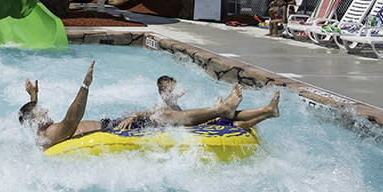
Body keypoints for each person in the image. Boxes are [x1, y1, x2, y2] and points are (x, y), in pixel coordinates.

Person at [17, 62, 242, 150]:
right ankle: (220, 111)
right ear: (35, 121)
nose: (45, 111)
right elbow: (72, 119)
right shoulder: (49, 134)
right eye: (40, 111)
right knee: (161, 117)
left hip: (111, 125)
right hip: (113, 131)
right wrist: (85, 85)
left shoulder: (38, 128)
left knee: (160, 113)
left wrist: (33, 96)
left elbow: (31, 115)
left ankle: (217, 115)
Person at [116, 75, 280, 131]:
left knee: (227, 118)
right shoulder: (160, 107)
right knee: (236, 123)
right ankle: (266, 113)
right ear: (161, 93)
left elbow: (178, 101)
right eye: (170, 91)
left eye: (174, 90)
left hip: (192, 127)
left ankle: (268, 110)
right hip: (186, 128)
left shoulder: (173, 102)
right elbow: (145, 112)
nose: (174, 94)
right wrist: (132, 117)